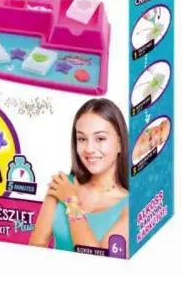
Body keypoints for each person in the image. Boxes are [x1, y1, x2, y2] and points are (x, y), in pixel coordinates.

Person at [30, 98, 129, 255]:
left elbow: (98, 260)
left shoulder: (129, 206)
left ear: (120, 144)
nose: (89, 149)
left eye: (100, 138)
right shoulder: (62, 185)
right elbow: (35, 247)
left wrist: (72, 202)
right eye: (82, 139)